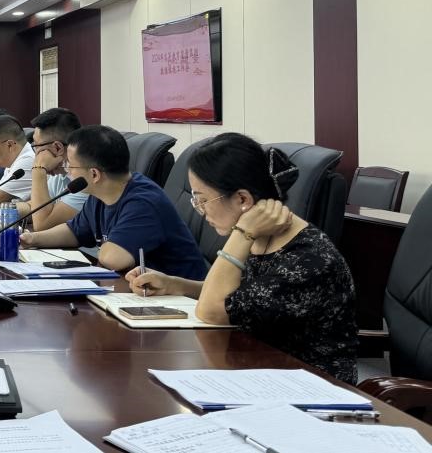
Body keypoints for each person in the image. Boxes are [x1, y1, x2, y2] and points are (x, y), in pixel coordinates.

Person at [127, 133, 358, 383]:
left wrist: (242, 233)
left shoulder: (306, 259)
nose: (200, 210)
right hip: (260, 368)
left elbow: (212, 311)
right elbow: (243, 297)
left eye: (203, 200)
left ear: (242, 199)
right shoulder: (259, 236)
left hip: (310, 386)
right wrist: (175, 284)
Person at [22, 125, 208, 279]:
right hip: (141, 292)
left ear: (94, 174)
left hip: (182, 299)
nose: (66, 170)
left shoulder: (144, 202)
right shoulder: (100, 195)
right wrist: (31, 239)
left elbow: (114, 259)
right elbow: (74, 231)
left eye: (70, 165)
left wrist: (103, 249)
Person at [0, 108, 88, 230]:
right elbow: (33, 207)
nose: (35, 153)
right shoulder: (60, 173)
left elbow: (42, 224)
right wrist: (1, 212)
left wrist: (38, 169)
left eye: (36, 146)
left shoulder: (84, 180)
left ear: (57, 148)